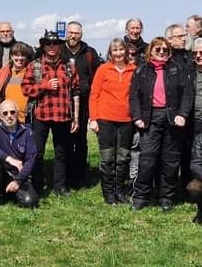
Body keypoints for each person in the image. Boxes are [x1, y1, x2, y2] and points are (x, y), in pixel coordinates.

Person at [129, 36, 194, 211]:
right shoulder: (141, 71)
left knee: (170, 161)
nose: (161, 52)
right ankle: (140, 197)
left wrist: (183, 114)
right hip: (150, 118)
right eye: (157, 49)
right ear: (150, 51)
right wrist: (137, 117)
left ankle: (166, 198)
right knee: (147, 160)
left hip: (172, 117)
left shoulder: (178, 69)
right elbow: (134, 96)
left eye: (165, 50)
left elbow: (187, 94)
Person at [22, 31, 80, 195]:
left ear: (59, 46)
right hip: (41, 115)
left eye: (55, 43)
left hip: (63, 115)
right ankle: (38, 185)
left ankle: (59, 186)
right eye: (48, 43)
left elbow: (76, 92)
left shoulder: (69, 66)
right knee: (37, 152)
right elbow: (25, 88)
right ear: (43, 46)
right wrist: (44, 86)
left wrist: (76, 118)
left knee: (61, 153)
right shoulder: (35, 66)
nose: (52, 46)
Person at [88, 37, 136, 204]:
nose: (118, 53)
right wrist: (93, 118)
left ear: (126, 51)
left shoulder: (134, 70)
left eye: (121, 49)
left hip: (127, 119)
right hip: (105, 118)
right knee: (107, 157)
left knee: (123, 157)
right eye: (115, 50)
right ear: (110, 52)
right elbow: (94, 94)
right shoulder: (103, 69)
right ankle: (108, 193)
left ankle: (119, 190)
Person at [62, 21, 101, 189]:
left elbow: (98, 77)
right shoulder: (59, 50)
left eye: (76, 33)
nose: (73, 36)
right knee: (64, 142)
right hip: (62, 104)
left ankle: (80, 176)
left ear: (81, 35)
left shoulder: (89, 53)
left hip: (83, 104)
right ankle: (65, 177)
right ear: (66, 33)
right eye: (70, 32)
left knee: (80, 141)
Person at [0, 99, 39, 208]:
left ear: (17, 113)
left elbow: (31, 159)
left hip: (18, 174)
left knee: (30, 202)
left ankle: (12, 192)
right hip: (1, 171)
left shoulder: (27, 131)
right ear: (0, 116)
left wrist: (18, 181)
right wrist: (9, 159)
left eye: (12, 112)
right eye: (5, 113)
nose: (9, 116)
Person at [0, 22, 32, 108]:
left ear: (13, 32)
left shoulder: (23, 47)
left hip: (17, 92)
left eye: (8, 31)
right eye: (2, 31)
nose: (5, 34)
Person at [0, 44, 34, 122]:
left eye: (22, 55)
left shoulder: (32, 73)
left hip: (26, 119)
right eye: (16, 55)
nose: (20, 58)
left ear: (26, 57)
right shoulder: (3, 72)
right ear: (12, 56)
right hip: (7, 119)